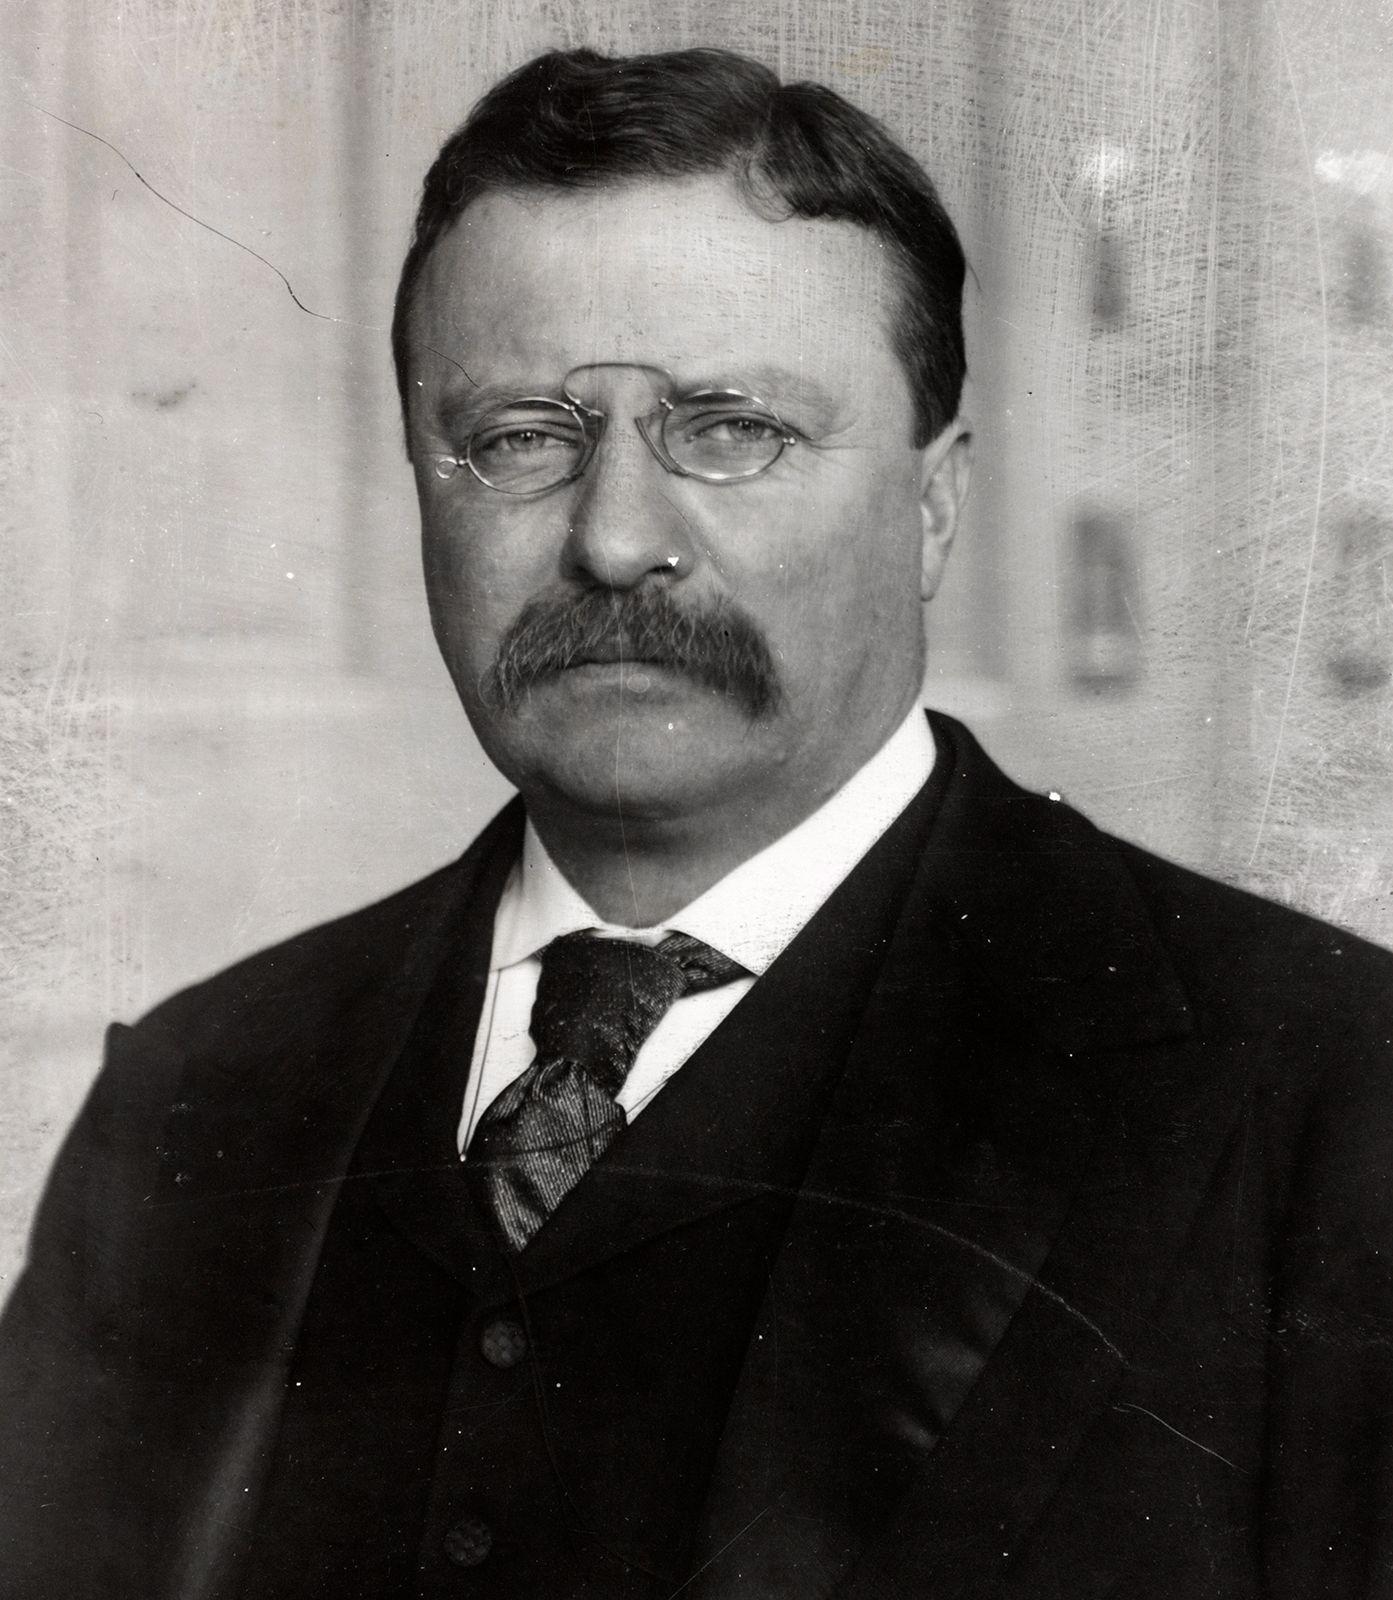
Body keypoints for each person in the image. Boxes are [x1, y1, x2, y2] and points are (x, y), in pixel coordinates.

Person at [2, 45, 1390, 1600]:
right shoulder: (195, 1097)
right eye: (520, 437)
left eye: (730, 430)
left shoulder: (1327, 1098)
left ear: (933, 505)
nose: (613, 540)